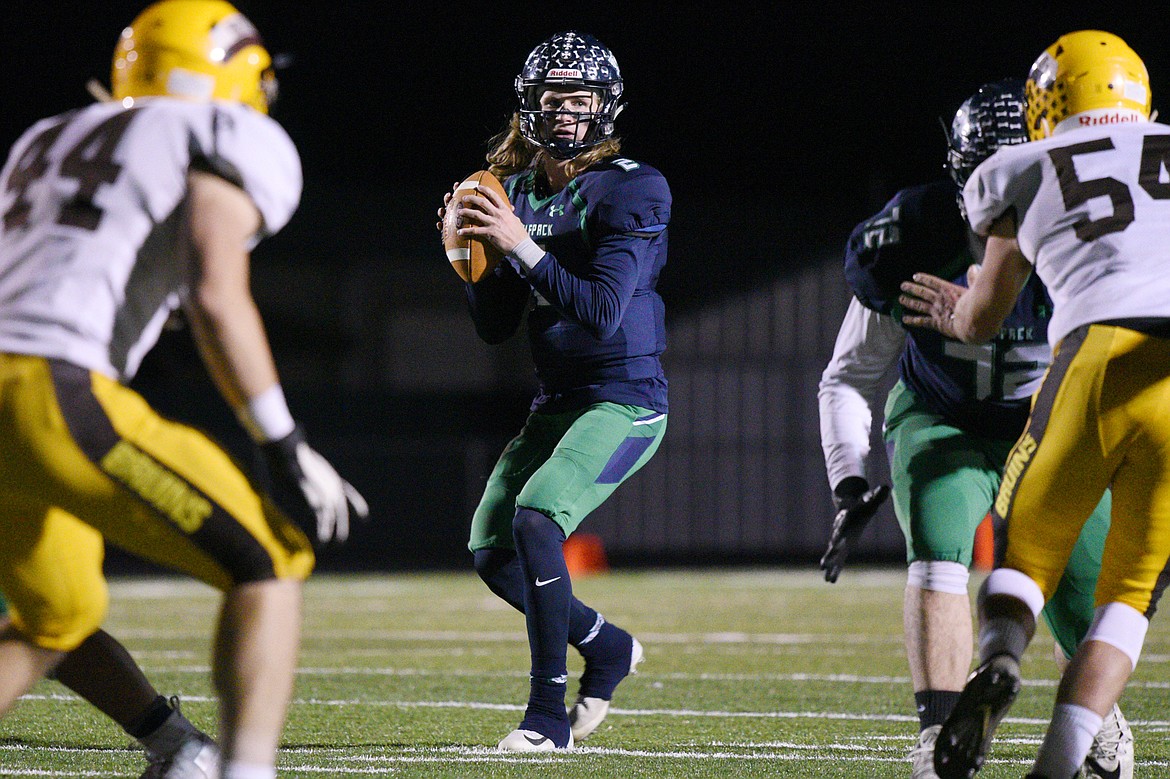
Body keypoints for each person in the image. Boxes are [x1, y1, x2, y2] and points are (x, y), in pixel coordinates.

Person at [0, 3, 367, 779]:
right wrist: (283, 439)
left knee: (56, 612)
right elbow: (215, 292)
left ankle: (180, 752)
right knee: (269, 558)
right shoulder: (229, 135)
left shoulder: (45, 137)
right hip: (50, 386)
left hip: (18, 379)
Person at [818, 79, 1131, 779]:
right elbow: (848, 374)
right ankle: (940, 737)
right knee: (939, 546)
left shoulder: (1089, 236)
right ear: (962, 172)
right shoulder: (913, 235)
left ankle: (1098, 717)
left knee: (1085, 593)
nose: (1010, 188)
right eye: (995, 170)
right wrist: (847, 476)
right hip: (944, 417)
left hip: (1047, 425)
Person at [897, 30, 1169, 779]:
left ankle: (1001, 659)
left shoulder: (1016, 166)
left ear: (1049, 98)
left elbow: (981, 318)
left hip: (1102, 352)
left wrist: (955, 312)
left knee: (1024, 553)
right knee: (1130, 594)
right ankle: (1057, 764)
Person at [437, 31, 669, 751]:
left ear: (607, 106)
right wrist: (468, 262)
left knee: (538, 519)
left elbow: (602, 309)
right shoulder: (513, 189)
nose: (567, 110)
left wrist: (517, 243)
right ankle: (604, 645)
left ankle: (546, 716)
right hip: (559, 399)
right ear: (528, 105)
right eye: (554, 97)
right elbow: (496, 327)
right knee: (491, 547)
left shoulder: (632, 185)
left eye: (582, 98)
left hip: (625, 398)